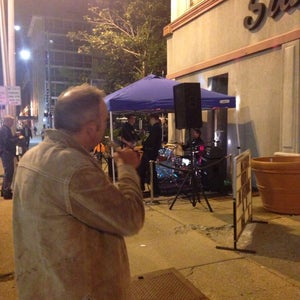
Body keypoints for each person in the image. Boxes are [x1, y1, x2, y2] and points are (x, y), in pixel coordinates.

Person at [13, 84, 145, 299]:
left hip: (44, 286)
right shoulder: (75, 168)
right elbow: (130, 218)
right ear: (91, 128)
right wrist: (127, 168)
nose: (104, 127)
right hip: (79, 290)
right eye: (103, 121)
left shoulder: (31, 157)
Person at [138, 113, 162, 196]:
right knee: (148, 171)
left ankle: (152, 190)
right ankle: (153, 190)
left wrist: (144, 145)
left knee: (144, 170)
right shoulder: (155, 128)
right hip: (150, 152)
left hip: (150, 152)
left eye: (150, 119)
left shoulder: (156, 128)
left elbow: (152, 141)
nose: (149, 121)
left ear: (153, 119)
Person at [0, 116, 24, 199]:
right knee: (9, 172)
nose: (13, 123)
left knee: (8, 172)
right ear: (7, 121)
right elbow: (7, 142)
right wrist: (17, 138)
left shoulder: (5, 129)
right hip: (7, 153)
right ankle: (6, 192)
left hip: (6, 153)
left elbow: (8, 140)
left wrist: (15, 137)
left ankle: (4, 191)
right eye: (12, 121)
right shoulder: (4, 130)